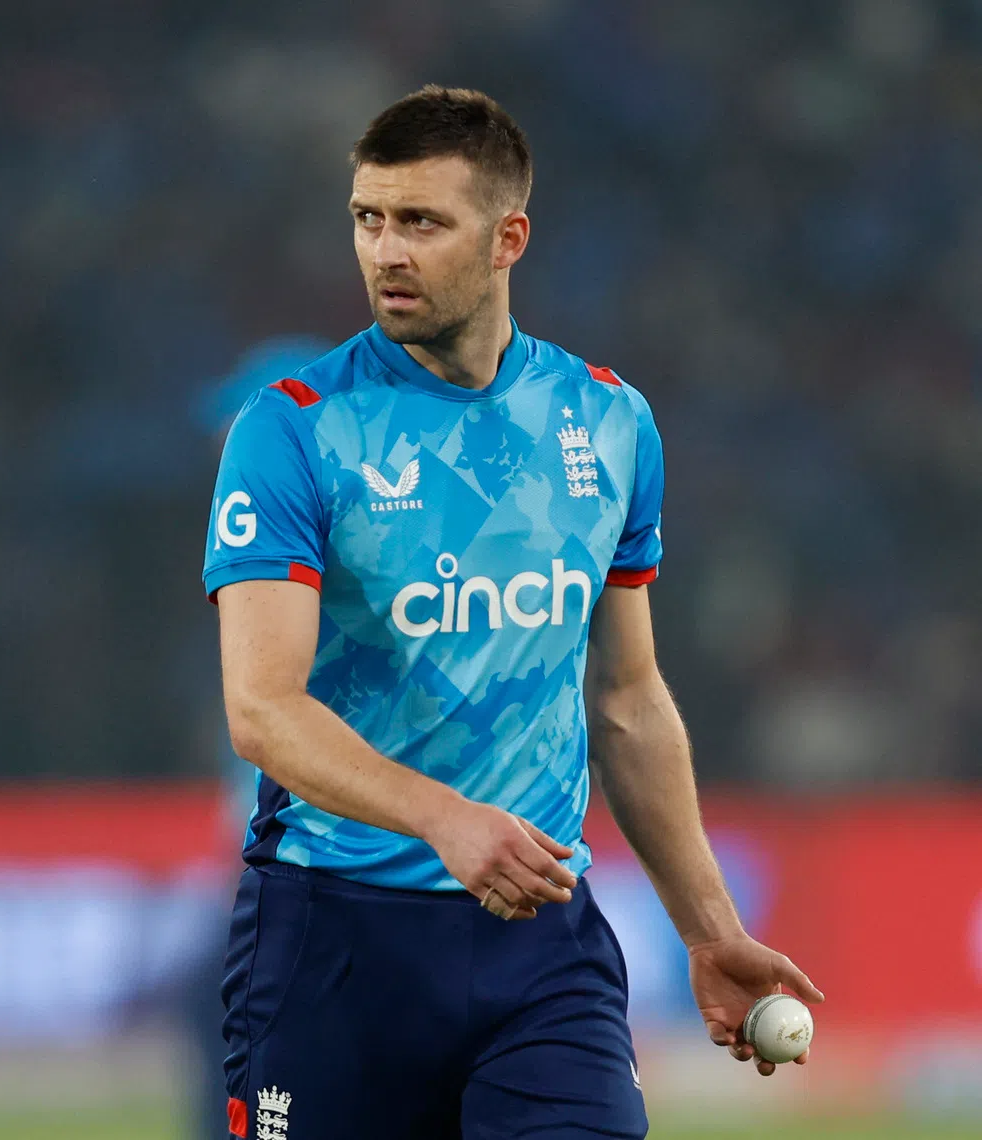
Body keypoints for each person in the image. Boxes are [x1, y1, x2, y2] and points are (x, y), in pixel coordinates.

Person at [202, 85, 823, 1140]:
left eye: (421, 222)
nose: (385, 252)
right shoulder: (296, 431)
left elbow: (625, 701)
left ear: (507, 238)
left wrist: (709, 930)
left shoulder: (609, 422)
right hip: (336, 942)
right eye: (368, 218)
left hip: (542, 944)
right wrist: (446, 821)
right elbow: (264, 709)